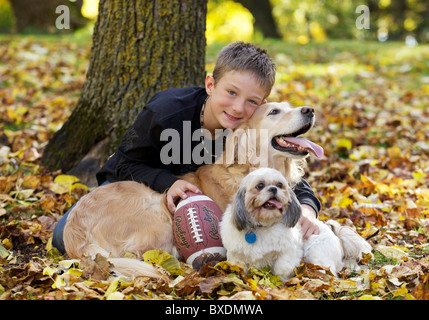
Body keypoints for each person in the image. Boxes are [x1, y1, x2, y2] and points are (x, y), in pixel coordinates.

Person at [52, 41, 320, 255]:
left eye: (252, 101)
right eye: (231, 93)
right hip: (130, 188)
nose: (238, 107)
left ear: (261, 104)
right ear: (210, 85)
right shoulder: (165, 111)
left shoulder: (248, 130)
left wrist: (307, 208)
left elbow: (278, 175)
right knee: (62, 236)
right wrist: (169, 183)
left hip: (186, 203)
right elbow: (123, 164)